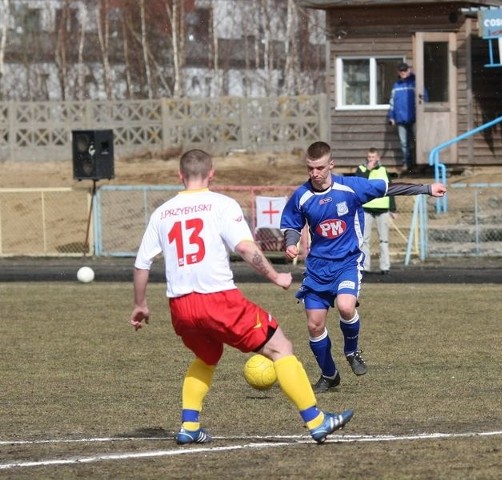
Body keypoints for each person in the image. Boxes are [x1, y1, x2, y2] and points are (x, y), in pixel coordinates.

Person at [129, 148, 353, 445]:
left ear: (180, 176)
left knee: (207, 356)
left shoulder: (162, 212)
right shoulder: (221, 204)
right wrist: (276, 276)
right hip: (218, 300)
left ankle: (190, 426)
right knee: (281, 347)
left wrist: (140, 304)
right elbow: (246, 248)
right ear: (212, 173)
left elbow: (142, 263)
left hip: (180, 307)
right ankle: (317, 420)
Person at [280, 141, 446, 393]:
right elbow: (291, 224)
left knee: (346, 306)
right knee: (314, 324)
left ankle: (352, 350)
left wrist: (426, 188)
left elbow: (388, 188)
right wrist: (291, 243)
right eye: (310, 168)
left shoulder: (351, 186)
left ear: (331, 165)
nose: (314, 173)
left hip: (347, 262)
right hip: (317, 268)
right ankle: (329, 374)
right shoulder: (302, 195)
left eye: (320, 168)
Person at [354, 147, 396, 275]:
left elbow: (390, 189)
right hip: (366, 208)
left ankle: (385, 267)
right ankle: (365, 267)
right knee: (365, 239)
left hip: (382, 209)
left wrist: (393, 209)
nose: (371, 159)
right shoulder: (361, 170)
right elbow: (359, 184)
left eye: (373, 157)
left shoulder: (384, 170)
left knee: (384, 240)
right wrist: (368, 170)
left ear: (378, 158)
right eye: (369, 157)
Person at [387, 62, 416, 173]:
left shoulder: (414, 83)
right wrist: (391, 117)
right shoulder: (396, 85)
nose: (403, 72)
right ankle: (407, 164)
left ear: (408, 71)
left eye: (405, 70)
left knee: (416, 142)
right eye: (401, 70)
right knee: (404, 143)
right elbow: (392, 103)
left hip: (414, 119)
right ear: (398, 72)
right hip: (400, 119)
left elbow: (423, 98)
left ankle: (419, 164)